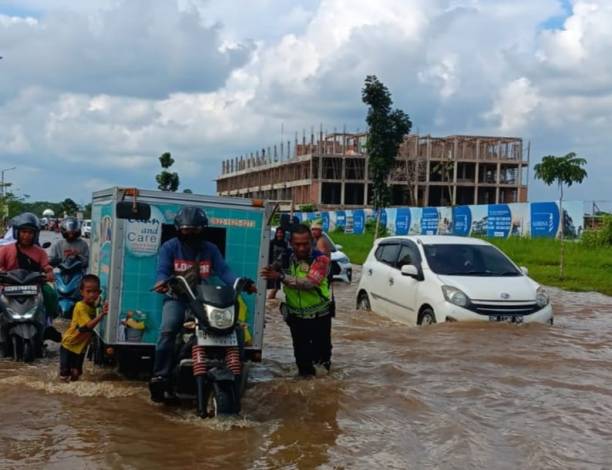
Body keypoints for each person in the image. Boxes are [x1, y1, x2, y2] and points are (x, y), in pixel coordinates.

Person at [149, 206, 256, 402]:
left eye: (195, 229)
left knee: (233, 330)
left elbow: (225, 272)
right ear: (178, 229)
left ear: (203, 229)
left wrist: (243, 283)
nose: (190, 233)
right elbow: (162, 270)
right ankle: (160, 375)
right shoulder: (170, 247)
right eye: (186, 229)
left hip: (204, 301)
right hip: (177, 299)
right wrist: (161, 282)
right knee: (168, 329)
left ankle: (235, 372)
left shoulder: (210, 249)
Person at [261, 223, 332, 377]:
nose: (301, 248)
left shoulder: (321, 260)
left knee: (323, 365)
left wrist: (280, 276)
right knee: (303, 365)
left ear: (311, 242)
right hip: (296, 319)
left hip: (320, 319)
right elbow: (269, 270)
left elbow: (308, 283)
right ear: (291, 243)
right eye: (297, 244)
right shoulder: (285, 258)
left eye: (305, 244)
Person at [0, 213, 60, 336]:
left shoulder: (40, 252)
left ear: (35, 234)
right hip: (7, 285)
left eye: (30, 232)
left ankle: (48, 324)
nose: (26, 236)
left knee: (51, 294)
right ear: (17, 232)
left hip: (33, 285)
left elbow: (46, 266)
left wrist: (49, 272)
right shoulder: (6, 250)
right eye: (23, 232)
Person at [59, 274, 107, 382]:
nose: (92, 295)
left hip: (81, 347)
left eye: (95, 292)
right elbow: (88, 325)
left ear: (99, 292)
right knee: (64, 374)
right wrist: (101, 315)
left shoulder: (93, 306)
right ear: (82, 292)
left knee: (76, 373)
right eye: (88, 291)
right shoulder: (80, 306)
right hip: (69, 344)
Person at [267, 227, 289, 299]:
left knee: (277, 282)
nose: (279, 234)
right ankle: (270, 297)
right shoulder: (272, 242)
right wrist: (269, 264)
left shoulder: (285, 244)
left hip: (280, 265)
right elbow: (268, 254)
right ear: (276, 234)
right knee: (273, 283)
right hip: (272, 264)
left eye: (281, 233)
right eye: (278, 233)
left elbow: (285, 255)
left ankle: (271, 296)